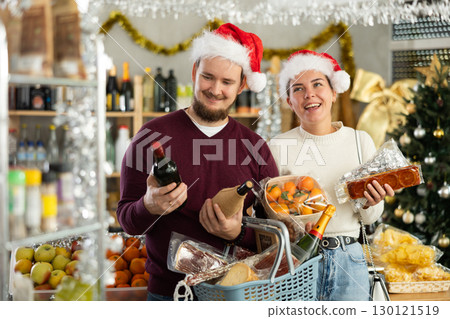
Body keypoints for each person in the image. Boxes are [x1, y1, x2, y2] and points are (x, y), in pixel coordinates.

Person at [116, 23, 279, 301]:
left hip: (235, 297)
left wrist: (237, 234)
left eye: (227, 82)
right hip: (169, 296)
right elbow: (127, 221)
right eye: (207, 77)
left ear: (241, 85)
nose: (215, 90)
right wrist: (149, 206)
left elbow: (276, 238)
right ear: (194, 73)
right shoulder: (150, 136)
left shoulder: (256, 149)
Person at [268, 50, 395, 301]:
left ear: (334, 92)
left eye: (318, 84)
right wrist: (291, 228)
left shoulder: (360, 141)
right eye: (298, 89)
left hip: (349, 259)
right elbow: (270, 211)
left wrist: (372, 202)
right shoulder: (277, 145)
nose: (309, 94)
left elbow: (369, 218)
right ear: (290, 100)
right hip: (298, 260)